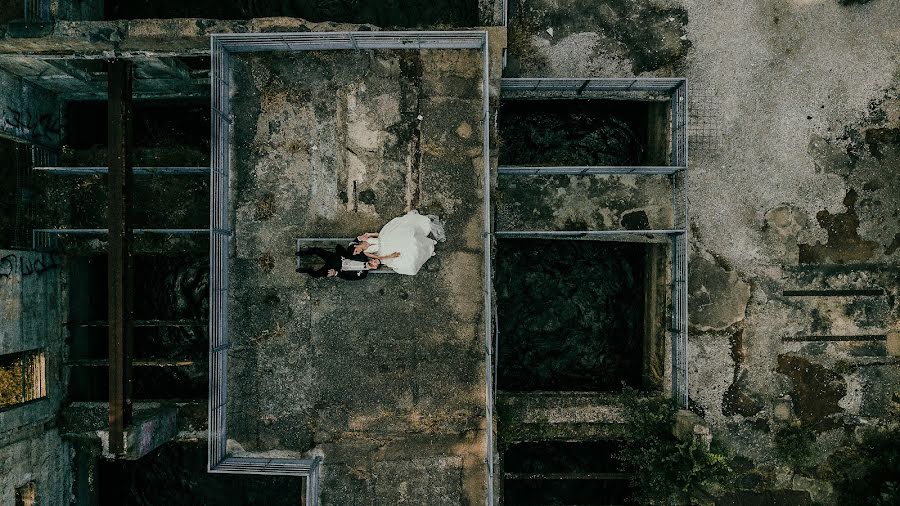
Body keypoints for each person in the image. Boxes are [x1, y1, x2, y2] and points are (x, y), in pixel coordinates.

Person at [353, 210, 444, 276]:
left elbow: (377, 235)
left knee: (408, 234)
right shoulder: (365, 252)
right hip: (385, 250)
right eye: (357, 253)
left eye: (356, 250)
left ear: (356, 245)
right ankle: (428, 248)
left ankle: (427, 243)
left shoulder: (364, 239)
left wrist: (369, 234)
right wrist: (390, 256)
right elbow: (378, 257)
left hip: (384, 238)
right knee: (410, 251)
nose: (358, 252)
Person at [295, 244, 380, 281]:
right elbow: (351, 248)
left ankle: (308, 270)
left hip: (337, 269)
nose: (373, 260)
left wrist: (336, 273)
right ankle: (304, 253)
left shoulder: (363, 274)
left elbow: (348, 278)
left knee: (316, 275)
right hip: (339, 259)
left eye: (375, 262)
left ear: (375, 267)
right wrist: (353, 250)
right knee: (318, 250)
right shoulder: (362, 256)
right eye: (374, 259)